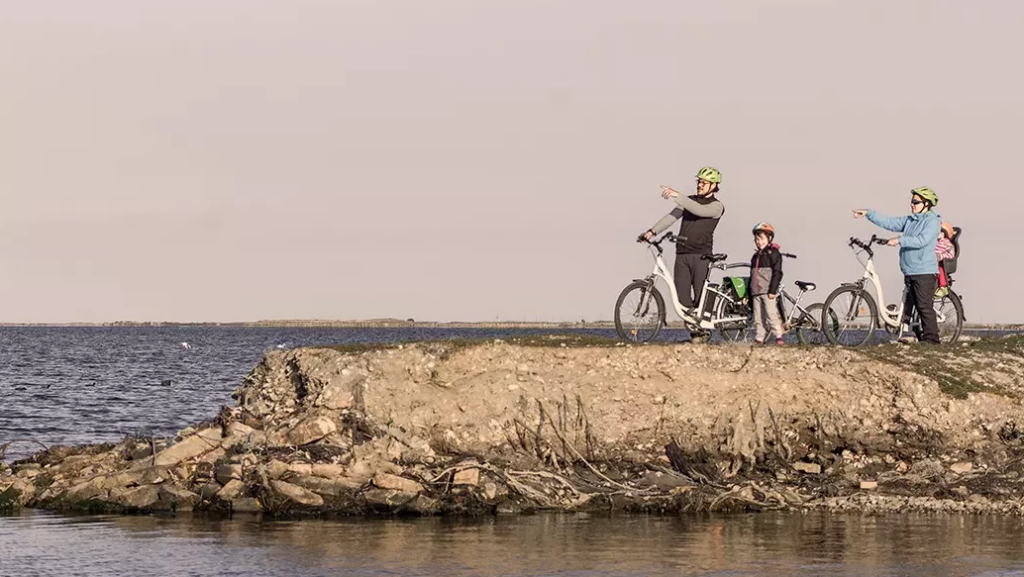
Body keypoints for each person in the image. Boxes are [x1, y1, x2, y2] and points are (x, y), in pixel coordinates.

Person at [641, 166, 726, 338]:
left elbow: (699, 210)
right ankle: (696, 330)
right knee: (682, 298)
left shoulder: (716, 206)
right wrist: (651, 232)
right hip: (682, 255)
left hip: (702, 256)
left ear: (714, 185)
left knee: (701, 296)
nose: (700, 185)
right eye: (699, 182)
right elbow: (671, 217)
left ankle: (704, 332)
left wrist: (676, 195)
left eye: (704, 183)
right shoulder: (688, 201)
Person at [853, 187, 943, 344]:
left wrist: (899, 240)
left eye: (916, 202)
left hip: (924, 271)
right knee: (913, 305)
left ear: (927, 204)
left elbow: (922, 240)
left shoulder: (933, 222)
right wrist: (868, 213)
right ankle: (913, 333)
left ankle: (932, 341)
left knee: (924, 307)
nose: (912, 204)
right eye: (911, 201)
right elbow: (890, 222)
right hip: (909, 270)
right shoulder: (910, 220)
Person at [749, 222, 785, 345]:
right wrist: (748, 294)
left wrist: (772, 290)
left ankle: (778, 335)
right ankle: (760, 337)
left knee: (771, 314)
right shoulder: (755, 256)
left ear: (769, 238)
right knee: (758, 317)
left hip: (768, 290)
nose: (759, 242)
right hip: (756, 291)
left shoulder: (773, 253)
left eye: (761, 239)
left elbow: (778, 273)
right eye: (757, 239)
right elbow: (752, 275)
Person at [935, 221, 956, 297]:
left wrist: (941, 256)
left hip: (943, 263)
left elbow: (951, 254)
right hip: (934, 261)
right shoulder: (936, 242)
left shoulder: (945, 243)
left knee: (939, 269)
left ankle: (943, 286)